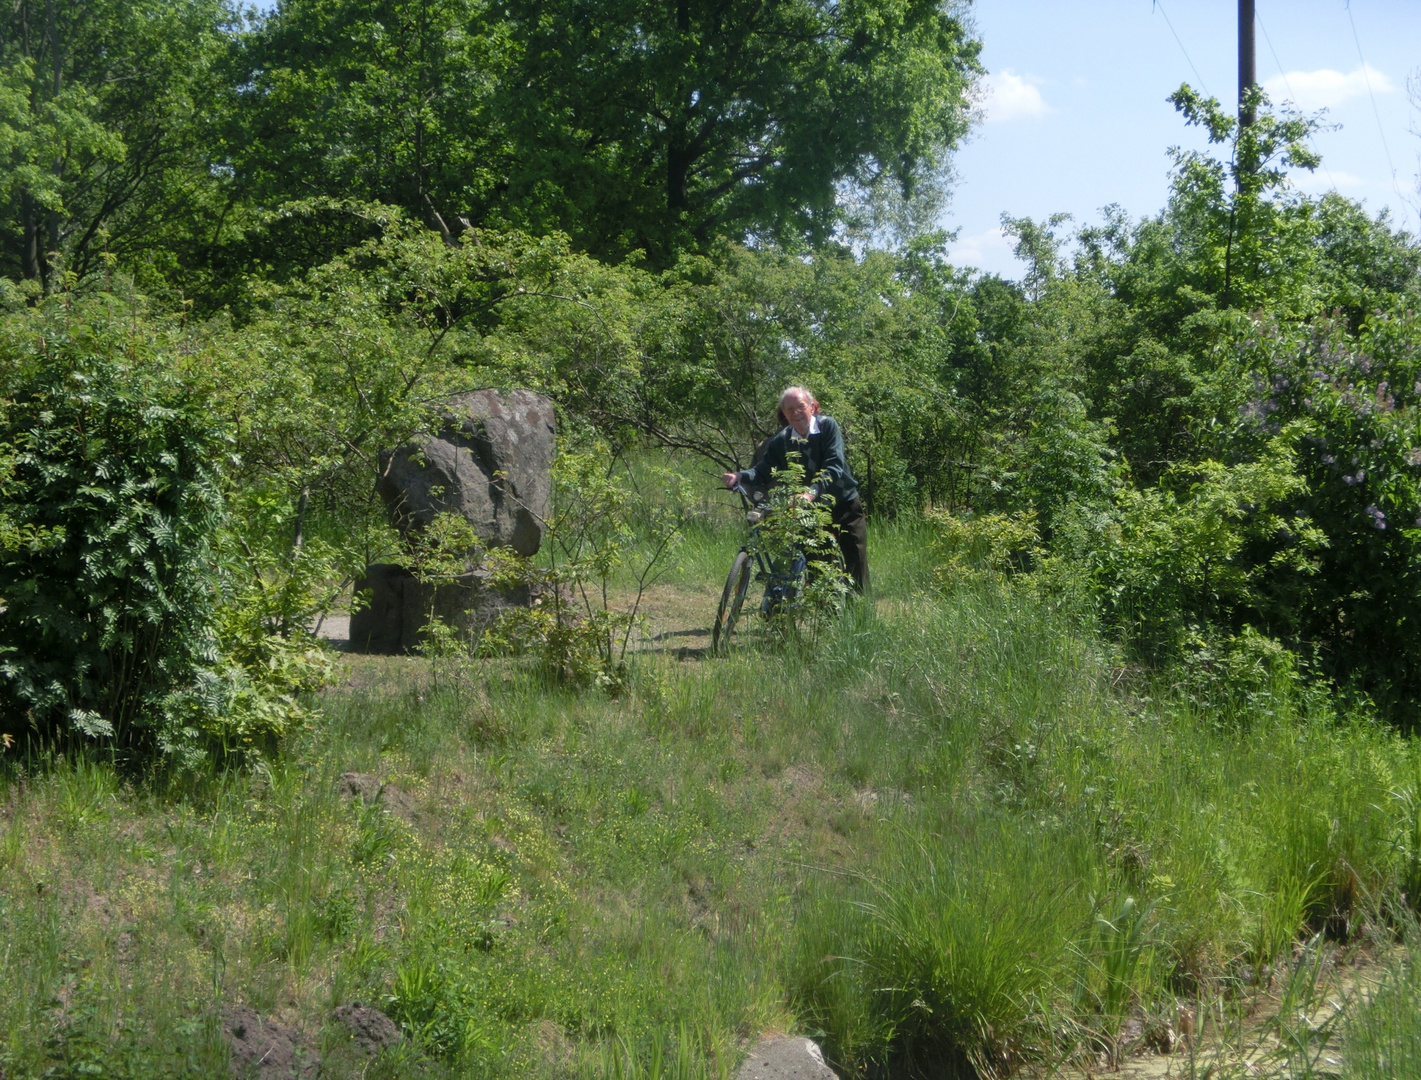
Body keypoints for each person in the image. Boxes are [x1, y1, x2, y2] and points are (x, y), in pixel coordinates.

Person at [721, 386, 869, 593]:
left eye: (800, 406)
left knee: (856, 559)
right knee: (818, 564)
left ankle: (861, 613)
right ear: (783, 414)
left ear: (812, 407)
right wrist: (740, 476)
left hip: (843, 501)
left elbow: (834, 466)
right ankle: (827, 615)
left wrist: (810, 492)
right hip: (812, 511)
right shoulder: (782, 440)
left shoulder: (828, 427)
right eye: (789, 409)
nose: (795, 413)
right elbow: (763, 470)